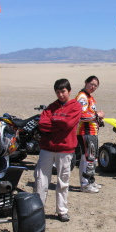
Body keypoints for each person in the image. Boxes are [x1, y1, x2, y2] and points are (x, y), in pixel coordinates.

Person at [34, 78, 81, 222]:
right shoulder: (50, 107)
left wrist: (54, 121)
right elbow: (42, 124)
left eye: (63, 91)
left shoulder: (76, 106)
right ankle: (38, 209)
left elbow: (68, 124)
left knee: (63, 181)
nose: (61, 95)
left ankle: (62, 210)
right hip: (47, 148)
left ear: (69, 91)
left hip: (65, 149)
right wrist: (60, 122)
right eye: (58, 92)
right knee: (41, 179)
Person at [75, 75, 105, 193]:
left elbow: (89, 113)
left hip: (92, 131)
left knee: (91, 158)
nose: (93, 87)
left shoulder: (89, 97)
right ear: (85, 83)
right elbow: (81, 115)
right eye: (91, 84)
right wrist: (97, 116)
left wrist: (97, 117)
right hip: (85, 132)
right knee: (87, 158)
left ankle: (90, 181)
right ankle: (85, 184)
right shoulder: (82, 97)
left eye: (96, 86)